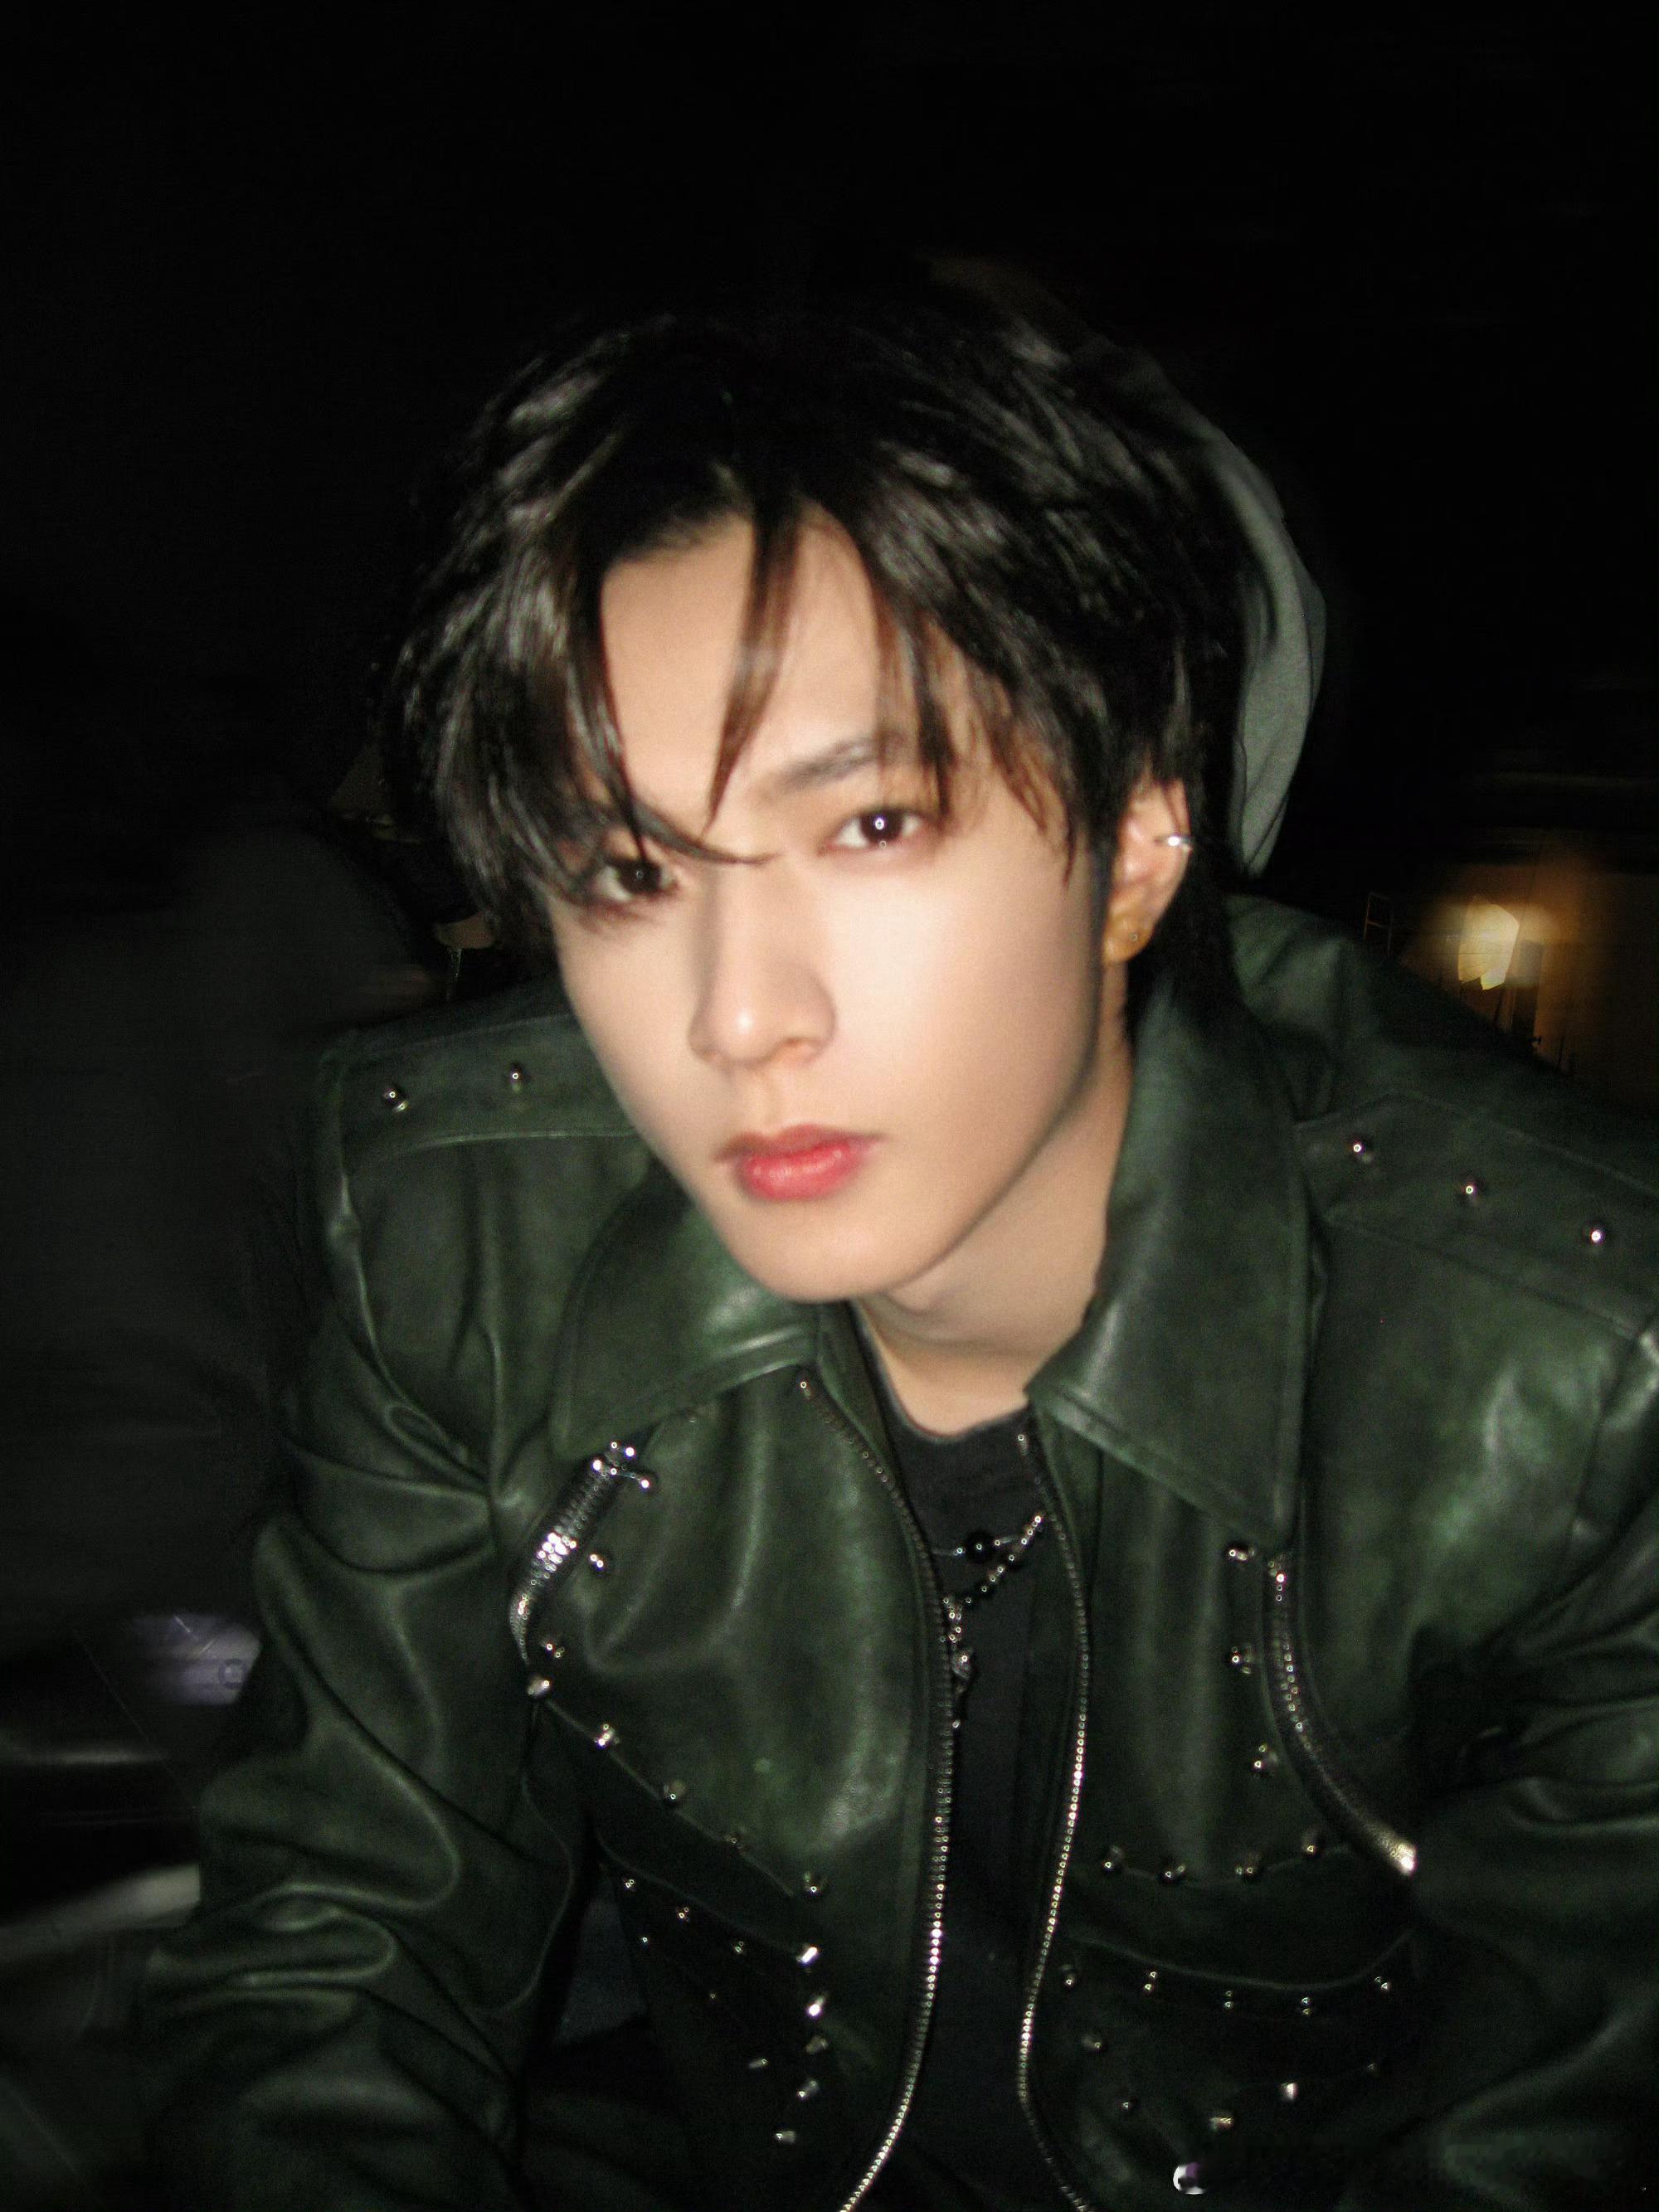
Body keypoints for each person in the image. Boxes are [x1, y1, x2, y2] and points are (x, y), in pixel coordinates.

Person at [141, 281, 1657, 2211]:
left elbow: (1558, 2127)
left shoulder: (1573, 1363)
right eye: (628, 870)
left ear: (1138, 841)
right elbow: (337, 1943)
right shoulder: (462, 1229)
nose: (735, 1015)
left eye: (868, 825)